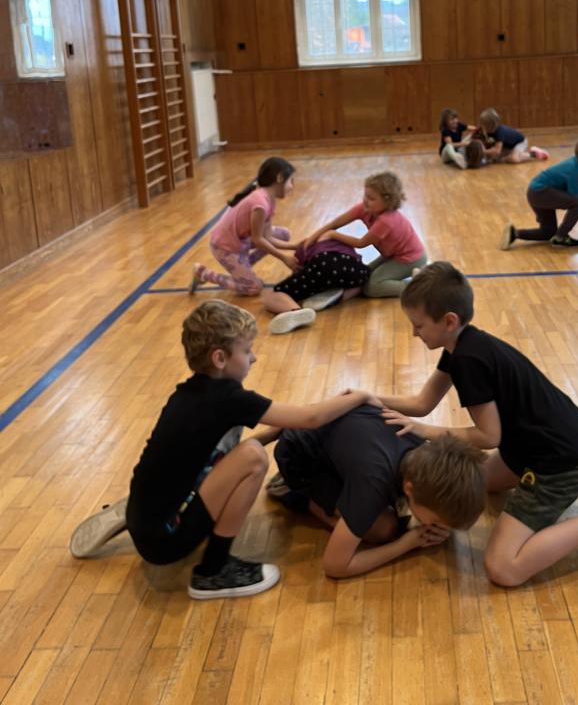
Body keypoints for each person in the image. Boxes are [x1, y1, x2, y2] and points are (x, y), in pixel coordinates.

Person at [371, 263, 578, 587]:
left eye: (418, 325)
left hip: (556, 462)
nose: (414, 333)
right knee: (476, 484)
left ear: (449, 321)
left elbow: (488, 436)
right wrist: (370, 398)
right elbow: (423, 403)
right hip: (549, 439)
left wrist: (425, 432)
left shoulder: (468, 361)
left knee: (502, 568)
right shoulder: (461, 344)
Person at [68, 301, 369, 599]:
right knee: (252, 458)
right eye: (247, 350)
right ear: (220, 358)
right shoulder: (228, 399)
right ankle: (214, 570)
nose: (254, 358)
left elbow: (218, 454)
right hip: (166, 543)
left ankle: (149, 511)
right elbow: (310, 418)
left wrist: (277, 431)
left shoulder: (187, 393)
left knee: (245, 450)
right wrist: (359, 396)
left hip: (151, 520)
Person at [265, 406, 486, 578]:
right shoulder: (373, 482)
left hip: (342, 437)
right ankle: (294, 493)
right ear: (409, 489)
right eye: (436, 521)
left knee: (388, 515)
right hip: (298, 458)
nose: (438, 527)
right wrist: (405, 545)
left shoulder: (426, 454)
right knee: (382, 530)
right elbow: (334, 566)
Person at [190, 156, 316, 335]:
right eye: (291, 181)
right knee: (253, 288)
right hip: (224, 247)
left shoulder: (269, 200)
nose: (292, 186)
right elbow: (259, 240)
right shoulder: (260, 204)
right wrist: (284, 258)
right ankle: (203, 273)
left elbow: (268, 237)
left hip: (241, 243)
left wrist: (295, 246)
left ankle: (242, 267)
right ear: (280, 178)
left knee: (284, 235)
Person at [302, 171, 427, 298]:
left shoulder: (386, 221)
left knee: (371, 288)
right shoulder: (365, 208)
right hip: (393, 255)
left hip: (411, 259)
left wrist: (333, 235)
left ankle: (420, 287)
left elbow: (361, 243)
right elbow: (334, 223)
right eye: (365, 196)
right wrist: (311, 239)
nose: (365, 201)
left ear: (388, 202)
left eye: (371, 198)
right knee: (362, 276)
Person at [500, 133, 578, 249]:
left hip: (537, 192)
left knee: (548, 232)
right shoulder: (575, 173)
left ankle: (514, 233)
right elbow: (577, 204)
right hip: (541, 193)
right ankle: (561, 237)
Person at [262, 237, 371, 330]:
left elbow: (299, 270)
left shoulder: (302, 249)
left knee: (274, 295)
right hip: (354, 268)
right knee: (361, 284)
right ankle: (339, 296)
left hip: (323, 262)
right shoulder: (342, 244)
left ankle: (295, 311)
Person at [477, 108, 549, 163]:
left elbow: (497, 150)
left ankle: (534, 153)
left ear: (490, 125)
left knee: (514, 159)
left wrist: (484, 151)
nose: (480, 125)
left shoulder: (499, 132)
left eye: (482, 124)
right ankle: (513, 154)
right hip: (509, 146)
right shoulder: (488, 130)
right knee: (495, 157)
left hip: (520, 142)